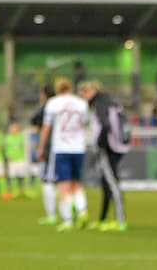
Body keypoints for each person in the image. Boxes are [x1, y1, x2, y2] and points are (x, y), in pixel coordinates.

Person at [36, 78, 90, 232]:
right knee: (77, 183)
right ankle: (82, 211)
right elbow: (85, 123)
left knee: (63, 185)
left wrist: (41, 147)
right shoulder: (82, 103)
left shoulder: (53, 103)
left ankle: (67, 220)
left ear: (58, 89)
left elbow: (46, 128)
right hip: (78, 148)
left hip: (61, 148)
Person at [79, 80, 130, 232]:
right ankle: (102, 219)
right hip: (118, 144)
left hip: (109, 147)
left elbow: (105, 125)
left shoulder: (99, 103)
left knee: (112, 182)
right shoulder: (109, 100)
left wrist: (100, 144)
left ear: (90, 91)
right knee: (106, 182)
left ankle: (121, 221)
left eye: (83, 93)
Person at [30, 83, 57, 223]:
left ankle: (51, 215)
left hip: (49, 147)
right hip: (66, 147)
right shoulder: (62, 105)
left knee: (47, 181)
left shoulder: (47, 106)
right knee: (66, 182)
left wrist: (39, 147)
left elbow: (34, 120)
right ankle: (74, 210)